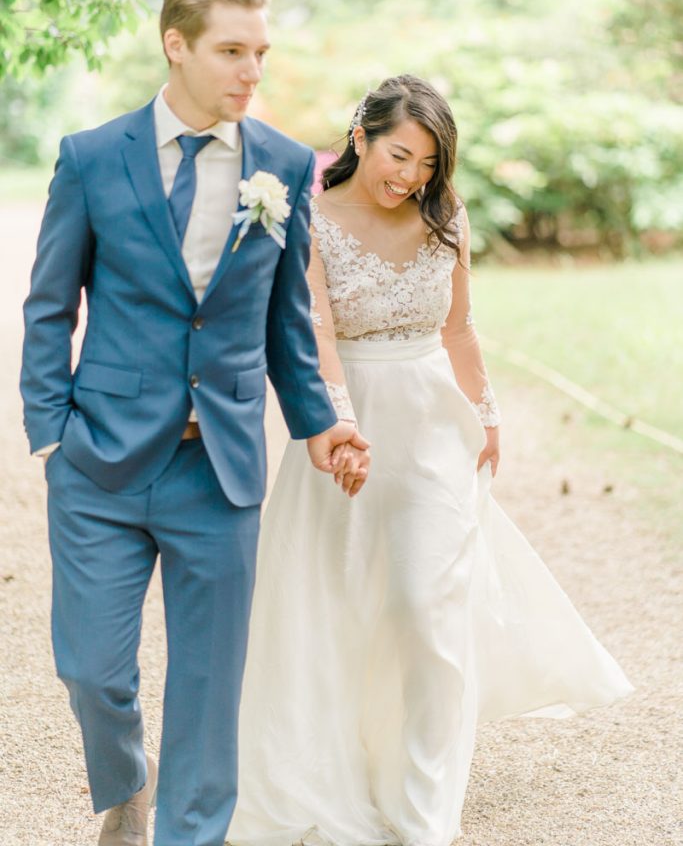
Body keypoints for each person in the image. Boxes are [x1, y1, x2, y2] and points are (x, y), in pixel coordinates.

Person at [228, 75, 633, 846]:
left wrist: (484, 414)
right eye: (400, 156)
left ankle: (422, 803)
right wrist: (338, 426)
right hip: (344, 431)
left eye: (426, 164)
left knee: (424, 607)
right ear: (361, 137)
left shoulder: (445, 215)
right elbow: (312, 334)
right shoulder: (310, 217)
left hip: (432, 431)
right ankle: (336, 768)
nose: (410, 178)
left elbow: (459, 330)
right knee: (338, 606)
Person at [20, 0, 369, 846]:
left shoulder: (286, 167)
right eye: (230, 51)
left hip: (218, 469)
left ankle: (189, 834)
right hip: (98, 462)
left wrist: (320, 422)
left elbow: (285, 320)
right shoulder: (92, 158)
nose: (251, 71)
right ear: (175, 47)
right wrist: (49, 431)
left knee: (210, 685)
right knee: (92, 672)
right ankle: (126, 782)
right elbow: (50, 304)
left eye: (260, 51)